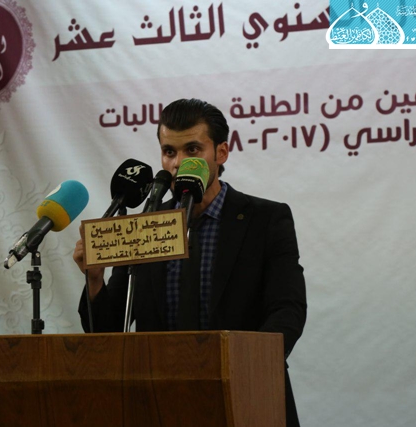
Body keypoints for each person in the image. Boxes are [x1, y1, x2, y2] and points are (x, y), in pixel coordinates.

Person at [73, 98, 306, 427]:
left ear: (221, 153)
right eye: (169, 152)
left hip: (246, 395)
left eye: (192, 150)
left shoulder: (266, 219)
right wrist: (95, 280)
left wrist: (249, 367)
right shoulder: (146, 224)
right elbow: (108, 330)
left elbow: (288, 309)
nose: (179, 163)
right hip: (159, 401)